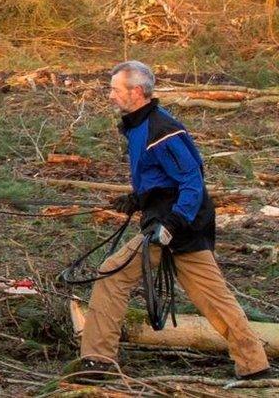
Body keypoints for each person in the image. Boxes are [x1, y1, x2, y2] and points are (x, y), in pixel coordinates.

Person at [78, 60, 271, 380]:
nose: (110, 95)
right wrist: (138, 199)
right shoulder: (139, 125)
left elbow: (192, 182)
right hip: (169, 221)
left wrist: (173, 223)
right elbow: (161, 179)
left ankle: (98, 362)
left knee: (112, 274)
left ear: (137, 91)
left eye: (115, 89)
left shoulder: (162, 130)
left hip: (177, 225)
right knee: (214, 298)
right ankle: (254, 366)